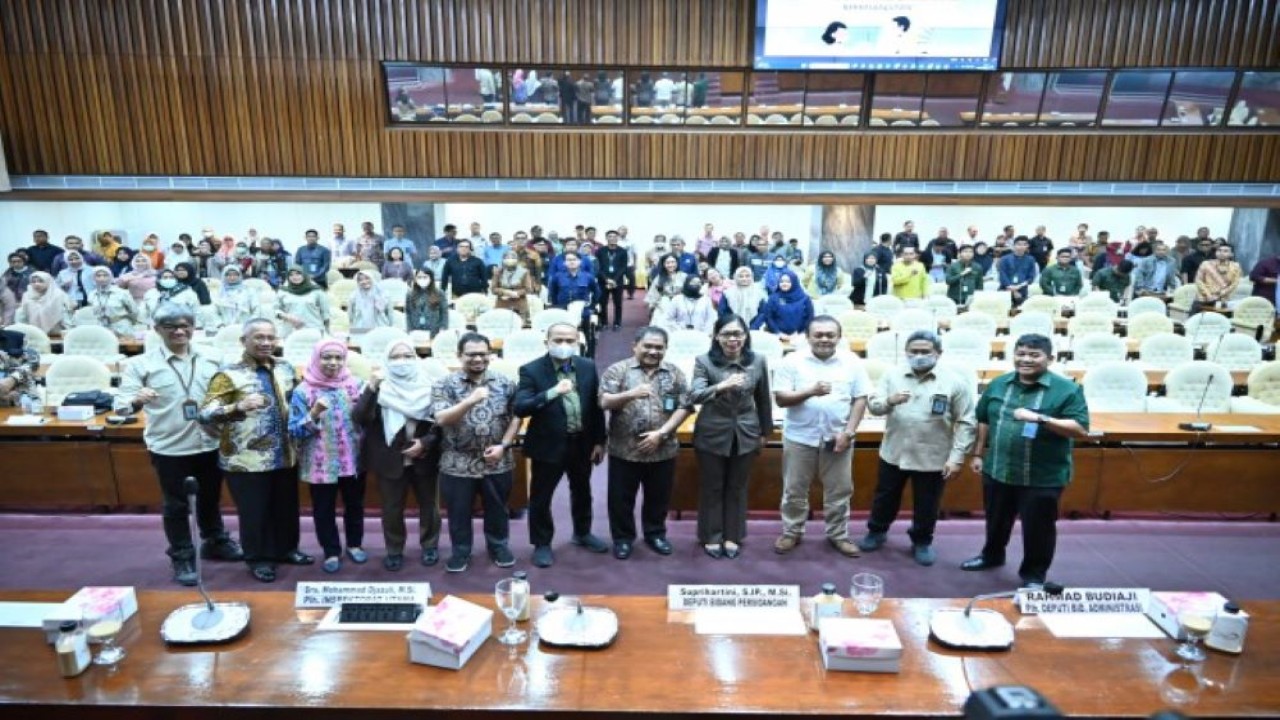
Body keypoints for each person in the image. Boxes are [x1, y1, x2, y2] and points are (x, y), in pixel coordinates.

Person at [119, 303, 242, 586]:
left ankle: (214, 540)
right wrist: (136, 400)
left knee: (210, 498)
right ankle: (182, 554)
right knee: (176, 505)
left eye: (185, 325)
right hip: (170, 446)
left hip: (210, 441)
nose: (179, 331)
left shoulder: (213, 357)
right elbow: (121, 406)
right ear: (157, 330)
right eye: (171, 326)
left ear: (193, 328)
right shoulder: (141, 365)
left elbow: (231, 390)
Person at [962, 333, 1089, 587]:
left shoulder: (1067, 389)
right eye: (1021, 354)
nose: (1026, 360)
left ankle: (1034, 574)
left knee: (1038, 528)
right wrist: (977, 453)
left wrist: (1041, 419)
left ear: (1050, 359)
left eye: (1034, 355)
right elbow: (984, 419)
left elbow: (1080, 428)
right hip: (998, 469)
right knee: (996, 520)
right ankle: (992, 555)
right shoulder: (998, 384)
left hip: (1042, 476)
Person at [199, 319, 312, 583]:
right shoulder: (228, 374)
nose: (265, 343)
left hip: (285, 453)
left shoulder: (284, 368)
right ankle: (258, 558)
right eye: (258, 337)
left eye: (270, 338)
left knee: (285, 507)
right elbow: (204, 413)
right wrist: (236, 407)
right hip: (245, 459)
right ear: (244, 341)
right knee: (254, 511)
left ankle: (286, 549)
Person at [858, 331, 976, 565]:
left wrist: (957, 457)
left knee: (927, 502)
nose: (919, 356)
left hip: (933, 454)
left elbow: (966, 422)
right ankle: (877, 531)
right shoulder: (892, 376)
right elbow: (875, 407)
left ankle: (922, 540)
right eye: (914, 351)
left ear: (938, 354)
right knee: (885, 497)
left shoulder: (954, 381)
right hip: (895, 451)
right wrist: (890, 401)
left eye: (925, 352)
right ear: (906, 352)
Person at [772, 316, 870, 558]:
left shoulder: (852, 362)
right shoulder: (792, 361)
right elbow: (781, 399)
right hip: (799, 437)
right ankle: (792, 531)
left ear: (838, 337)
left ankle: (838, 534)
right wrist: (810, 391)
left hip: (839, 438)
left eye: (829, 334)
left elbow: (861, 398)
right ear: (808, 336)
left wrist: (849, 433)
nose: (824, 339)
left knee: (839, 491)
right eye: (818, 334)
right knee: (794, 489)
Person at [515, 323, 608, 567]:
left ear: (578, 341)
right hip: (548, 445)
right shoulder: (531, 370)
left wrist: (600, 440)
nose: (564, 345)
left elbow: (596, 407)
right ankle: (542, 544)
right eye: (558, 340)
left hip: (582, 443)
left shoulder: (587, 366)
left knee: (582, 490)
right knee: (541, 497)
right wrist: (552, 392)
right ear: (547, 341)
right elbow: (520, 407)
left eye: (569, 340)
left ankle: (582, 532)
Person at [430, 332, 522, 572]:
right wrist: (470, 400)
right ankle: (461, 551)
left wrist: (504, 445)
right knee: (458, 513)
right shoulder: (444, 384)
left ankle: (498, 546)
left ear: (491, 354)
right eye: (471, 354)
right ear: (460, 356)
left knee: (498, 509)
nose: (478, 359)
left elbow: (516, 418)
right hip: (457, 461)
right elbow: (441, 418)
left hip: (497, 460)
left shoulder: (505, 382)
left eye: (483, 353)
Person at [600, 326, 692, 559]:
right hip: (625, 449)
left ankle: (655, 534)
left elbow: (685, 406)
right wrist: (630, 394)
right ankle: (622, 539)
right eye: (648, 346)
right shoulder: (618, 370)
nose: (653, 351)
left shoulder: (675, 373)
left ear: (665, 349)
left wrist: (661, 433)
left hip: (663, 447)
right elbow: (604, 402)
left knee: (658, 497)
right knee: (621, 499)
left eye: (659, 347)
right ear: (635, 346)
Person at [689, 314, 773, 559]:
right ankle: (711, 536)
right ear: (716, 336)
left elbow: (763, 399)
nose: (732, 339)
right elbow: (694, 395)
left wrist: (764, 432)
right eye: (726, 334)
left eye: (738, 334)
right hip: (712, 432)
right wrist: (720, 387)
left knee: (737, 487)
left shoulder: (757, 361)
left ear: (746, 336)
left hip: (746, 432)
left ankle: (733, 536)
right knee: (712, 486)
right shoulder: (704, 361)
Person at [354, 341, 442, 570]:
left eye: (407, 355)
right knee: (392, 509)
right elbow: (360, 418)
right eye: (395, 357)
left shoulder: (430, 385)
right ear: (386, 360)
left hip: (425, 456)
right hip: (390, 458)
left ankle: (430, 546)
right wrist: (372, 387)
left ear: (416, 358)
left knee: (429, 506)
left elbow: (442, 423)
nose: (402, 361)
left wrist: (425, 442)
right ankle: (394, 550)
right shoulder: (379, 387)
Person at [287, 340, 367, 574]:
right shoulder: (303, 391)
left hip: (353, 460)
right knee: (324, 509)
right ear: (316, 358)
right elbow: (294, 430)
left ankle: (354, 544)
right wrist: (314, 413)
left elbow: (366, 419)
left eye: (338, 358)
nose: (333, 363)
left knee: (355, 505)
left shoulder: (355, 385)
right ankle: (331, 551)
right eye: (327, 357)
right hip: (320, 463)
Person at [755, 270, 813, 338]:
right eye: (782, 281)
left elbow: (810, 318)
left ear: (794, 282)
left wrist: (800, 333)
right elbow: (768, 317)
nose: (784, 284)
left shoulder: (804, 298)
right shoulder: (773, 298)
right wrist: (778, 332)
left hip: (799, 337)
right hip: (776, 336)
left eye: (788, 281)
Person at [84, 266, 140, 335]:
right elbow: (92, 313)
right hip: (101, 328)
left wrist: (129, 322)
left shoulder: (122, 293)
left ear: (110, 277)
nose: (102, 278)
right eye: (98, 276)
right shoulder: (92, 295)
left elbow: (134, 311)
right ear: (94, 278)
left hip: (121, 327)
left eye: (105, 275)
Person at [275, 267, 330, 337]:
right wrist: (287, 317)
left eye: (298, 274)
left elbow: (325, 314)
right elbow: (275, 310)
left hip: (313, 330)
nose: (295, 277)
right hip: (290, 331)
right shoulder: (283, 291)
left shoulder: (317, 291)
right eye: (291, 275)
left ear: (304, 274)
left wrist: (327, 332)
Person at [491, 250, 537, 323]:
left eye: (513, 257)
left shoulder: (524, 272)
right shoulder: (498, 272)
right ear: (503, 259)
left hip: (519, 305)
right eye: (507, 257)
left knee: (521, 326)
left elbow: (528, 289)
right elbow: (493, 289)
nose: (510, 259)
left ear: (517, 259)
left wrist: (516, 293)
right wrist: (505, 292)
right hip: (502, 304)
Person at [1194, 242, 1242, 311]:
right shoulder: (1206, 264)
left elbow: (1234, 283)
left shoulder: (1235, 266)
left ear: (1231, 254)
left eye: (1225, 251)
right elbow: (1198, 280)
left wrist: (1222, 294)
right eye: (1219, 250)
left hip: (1223, 300)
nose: (1221, 253)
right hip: (1203, 299)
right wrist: (1209, 295)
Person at [596, 230, 629, 331]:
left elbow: (623, 267)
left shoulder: (623, 251)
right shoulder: (600, 251)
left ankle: (617, 323)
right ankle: (604, 322)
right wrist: (606, 280)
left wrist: (614, 280)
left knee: (618, 303)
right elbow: (598, 267)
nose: (612, 238)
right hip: (603, 280)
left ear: (617, 238)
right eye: (610, 236)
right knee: (602, 303)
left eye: (615, 236)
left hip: (617, 281)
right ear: (606, 238)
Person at [406, 268, 448, 337]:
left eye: (425, 277)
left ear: (431, 278)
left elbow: (444, 313)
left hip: (434, 330)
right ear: (415, 279)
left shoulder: (439, 293)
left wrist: (443, 328)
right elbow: (408, 313)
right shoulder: (410, 294)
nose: (422, 279)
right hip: (416, 330)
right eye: (419, 277)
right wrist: (409, 330)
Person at [997, 237, 1038, 307]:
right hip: (1005, 290)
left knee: (1021, 312)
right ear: (1014, 246)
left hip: (1022, 290)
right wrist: (1013, 291)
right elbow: (1003, 276)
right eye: (1019, 244)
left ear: (1027, 246)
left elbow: (1031, 277)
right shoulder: (1004, 259)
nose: (1021, 247)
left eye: (1024, 244)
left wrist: (1019, 286)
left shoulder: (1030, 259)